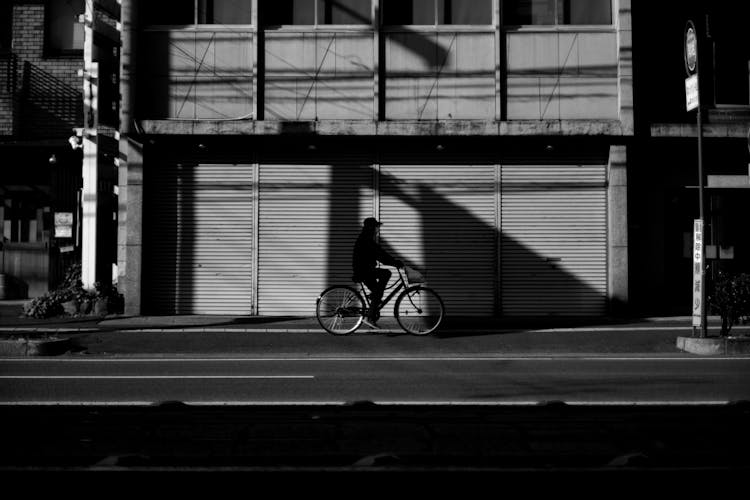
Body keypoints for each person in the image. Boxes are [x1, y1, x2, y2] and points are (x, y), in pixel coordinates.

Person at [352, 217, 403, 328]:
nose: (377, 229)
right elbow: (379, 254)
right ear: (371, 227)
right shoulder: (366, 239)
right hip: (364, 270)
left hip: (364, 270)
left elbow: (380, 253)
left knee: (377, 293)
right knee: (386, 274)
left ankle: (373, 301)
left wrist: (393, 261)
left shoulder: (367, 238)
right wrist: (394, 262)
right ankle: (369, 317)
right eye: (376, 227)